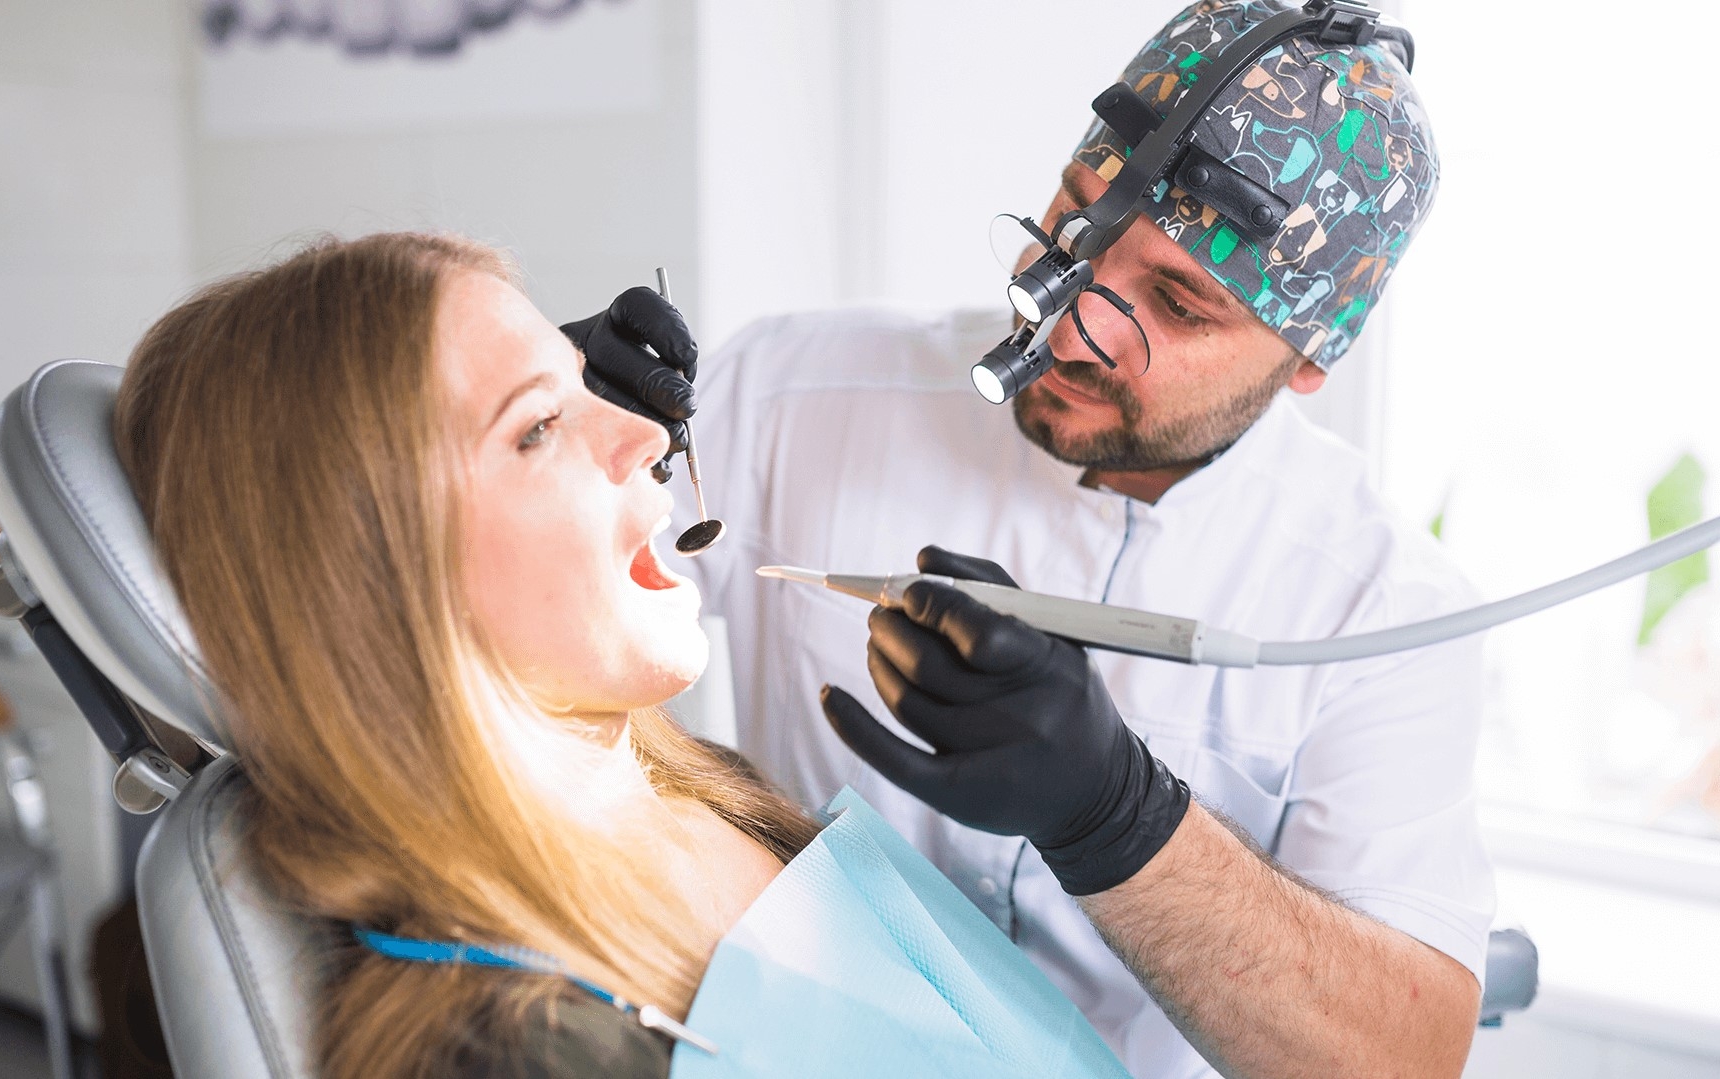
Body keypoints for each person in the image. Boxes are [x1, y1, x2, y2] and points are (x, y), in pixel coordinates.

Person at [578, 2, 1494, 1076]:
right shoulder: (792, 388)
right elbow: (498, 578)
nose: (1067, 324)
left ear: (1308, 357)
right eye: (1076, 229)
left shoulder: (1384, 612)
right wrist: (521, 409)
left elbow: (1402, 1057)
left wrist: (1119, 817)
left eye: (1179, 302)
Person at [112, 233, 823, 1078]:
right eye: (538, 426)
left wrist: (1034, 823)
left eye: (580, 381)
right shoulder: (517, 1052)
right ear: (370, 579)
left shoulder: (712, 790)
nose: (646, 433)